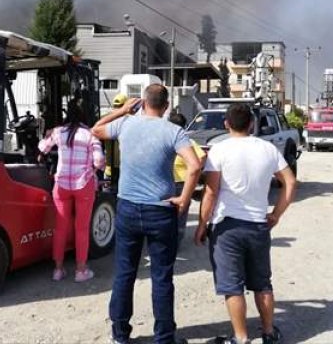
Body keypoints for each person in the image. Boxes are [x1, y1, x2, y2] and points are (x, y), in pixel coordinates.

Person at [92, 84, 200, 344]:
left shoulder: (126, 124)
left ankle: (120, 335)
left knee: (124, 273)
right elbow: (195, 165)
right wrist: (184, 199)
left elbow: (95, 129)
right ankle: (164, 338)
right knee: (162, 276)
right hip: (161, 210)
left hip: (127, 208)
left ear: (143, 102)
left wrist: (122, 111)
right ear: (165, 107)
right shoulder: (174, 131)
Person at [195, 103, 297, 344]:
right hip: (258, 225)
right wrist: (276, 214)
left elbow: (211, 192)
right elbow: (290, 183)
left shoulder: (219, 150)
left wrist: (201, 225)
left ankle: (241, 339)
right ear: (251, 123)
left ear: (226, 124)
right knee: (262, 283)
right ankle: (268, 332)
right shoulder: (268, 149)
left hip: (226, 227)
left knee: (232, 286)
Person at [38, 100, 105, 282]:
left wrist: (48, 134)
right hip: (84, 184)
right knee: (81, 228)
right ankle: (80, 270)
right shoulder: (91, 135)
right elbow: (99, 161)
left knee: (60, 228)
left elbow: (42, 148)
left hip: (61, 186)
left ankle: (58, 270)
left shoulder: (58, 132)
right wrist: (95, 168)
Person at [168, 112, 207, 241]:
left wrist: (193, 170)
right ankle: (173, 239)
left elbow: (201, 157)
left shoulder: (183, 141)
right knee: (176, 213)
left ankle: (174, 240)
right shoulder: (181, 141)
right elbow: (202, 157)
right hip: (175, 183)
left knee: (175, 213)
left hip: (175, 183)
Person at [104, 94, 127, 181]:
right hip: (123, 167)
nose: (116, 108)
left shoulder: (105, 119)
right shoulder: (130, 121)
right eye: (116, 106)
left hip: (109, 167)